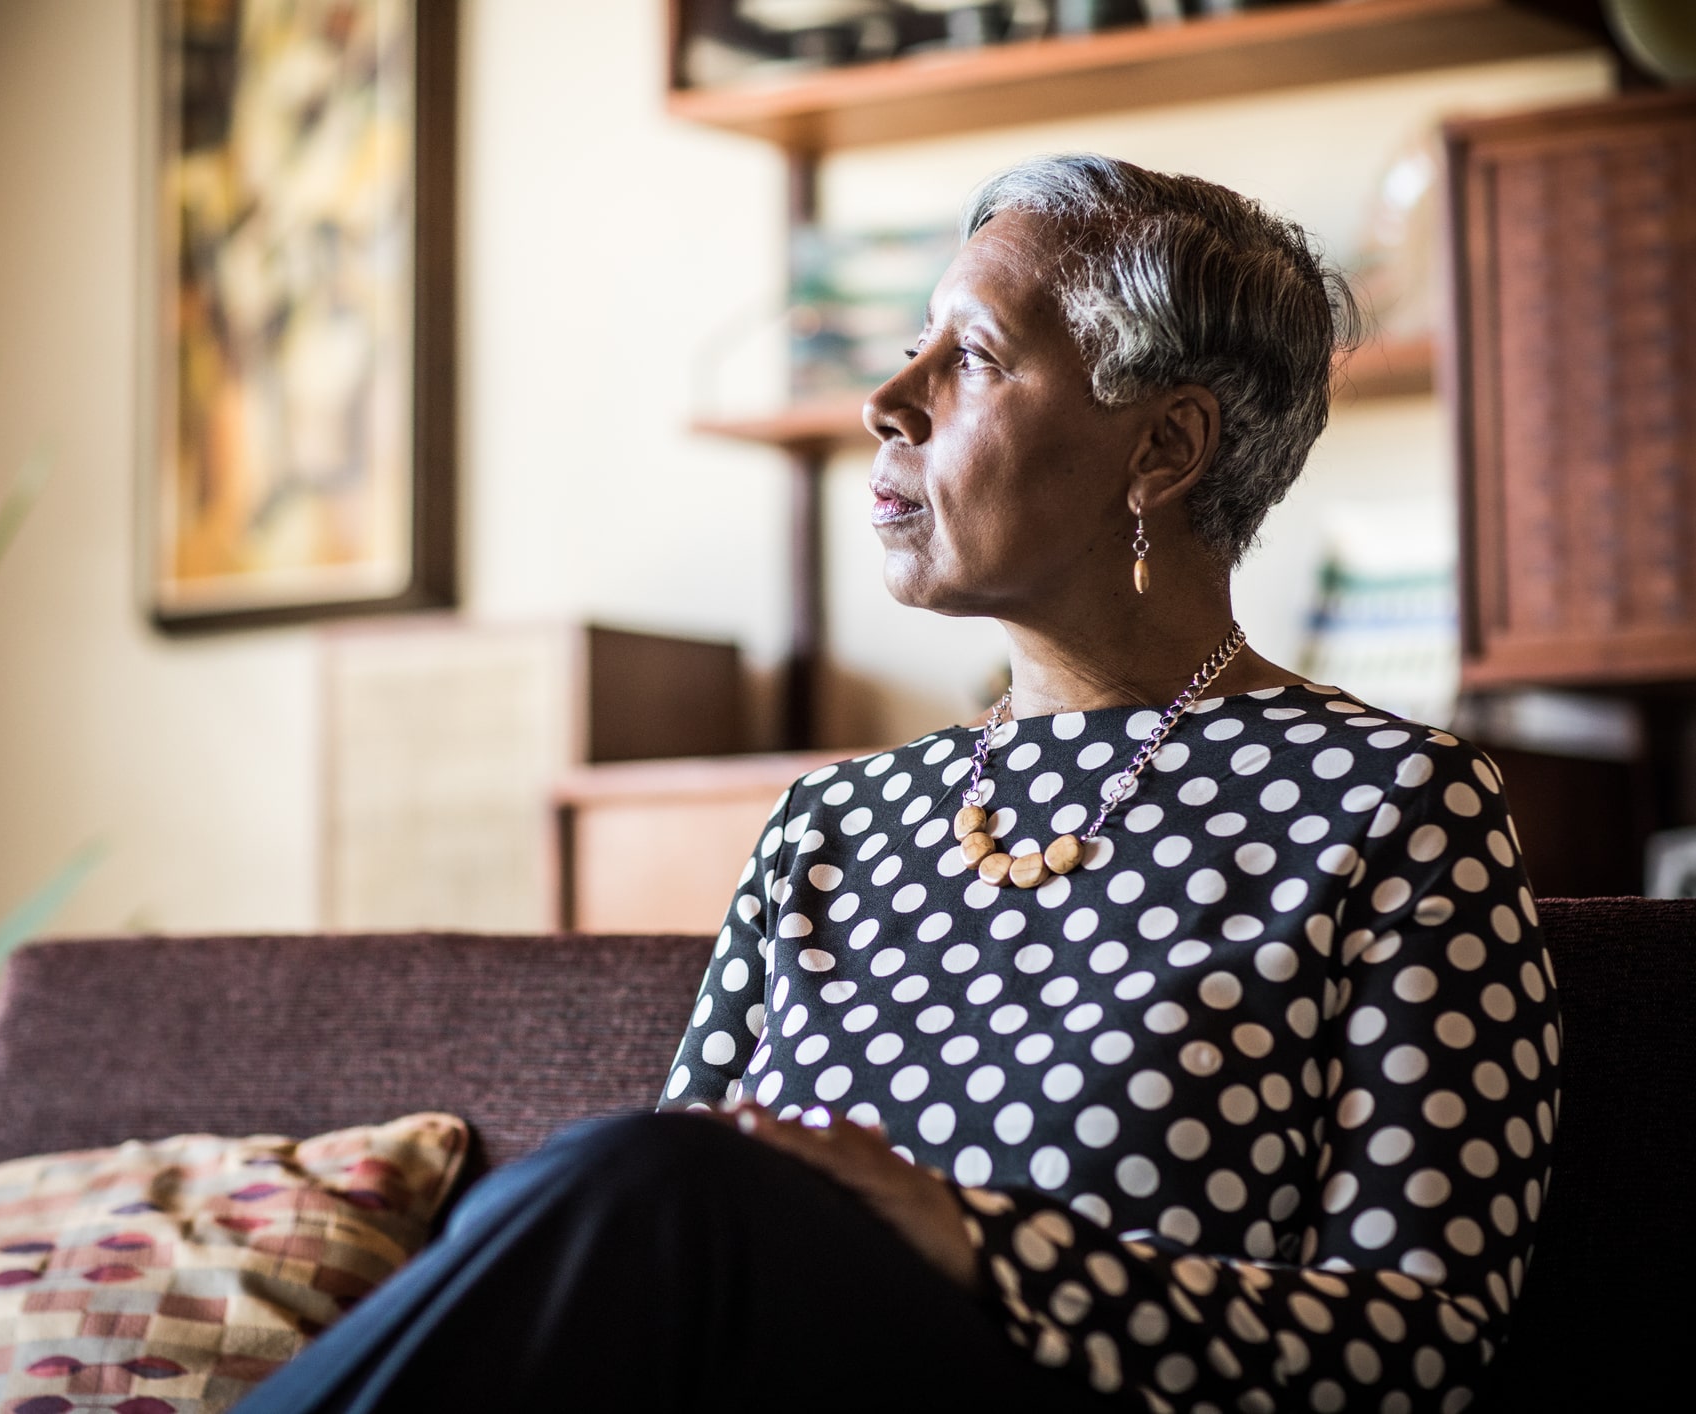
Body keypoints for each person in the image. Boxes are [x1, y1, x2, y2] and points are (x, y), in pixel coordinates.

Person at [239, 154, 1557, 1413]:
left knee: (645, 1182)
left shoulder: (1392, 806)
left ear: (1161, 449)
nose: (890, 396)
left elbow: (1419, 1341)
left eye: (971, 355)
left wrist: (978, 1244)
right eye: (914, 343)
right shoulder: (832, 822)